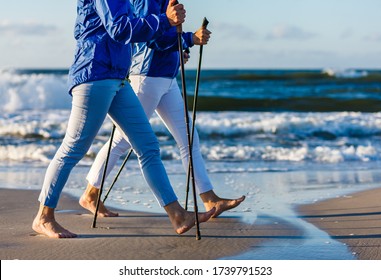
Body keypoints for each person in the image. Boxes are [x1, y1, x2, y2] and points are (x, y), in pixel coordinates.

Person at [32, 0, 216, 239]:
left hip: (119, 78)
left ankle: (177, 215)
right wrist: (166, 20)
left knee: (148, 146)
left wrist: (177, 41)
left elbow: (137, 32)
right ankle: (43, 216)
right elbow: (119, 28)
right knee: (74, 148)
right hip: (94, 74)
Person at [79, 0, 245, 219]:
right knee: (122, 140)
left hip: (167, 77)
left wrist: (179, 51)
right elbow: (151, 37)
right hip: (146, 76)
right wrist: (189, 39)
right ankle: (90, 194)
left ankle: (210, 199)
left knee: (188, 139)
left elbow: (166, 35)